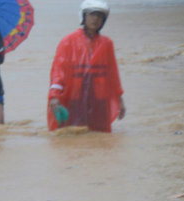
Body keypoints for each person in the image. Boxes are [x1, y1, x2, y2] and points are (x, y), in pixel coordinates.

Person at [47, 0, 126, 132]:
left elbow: (112, 74)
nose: (96, 19)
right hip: (75, 95)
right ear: (83, 16)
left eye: (100, 16)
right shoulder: (68, 41)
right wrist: (54, 96)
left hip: (99, 98)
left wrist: (119, 99)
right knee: (71, 133)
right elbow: (58, 70)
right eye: (92, 14)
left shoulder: (107, 44)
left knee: (100, 134)